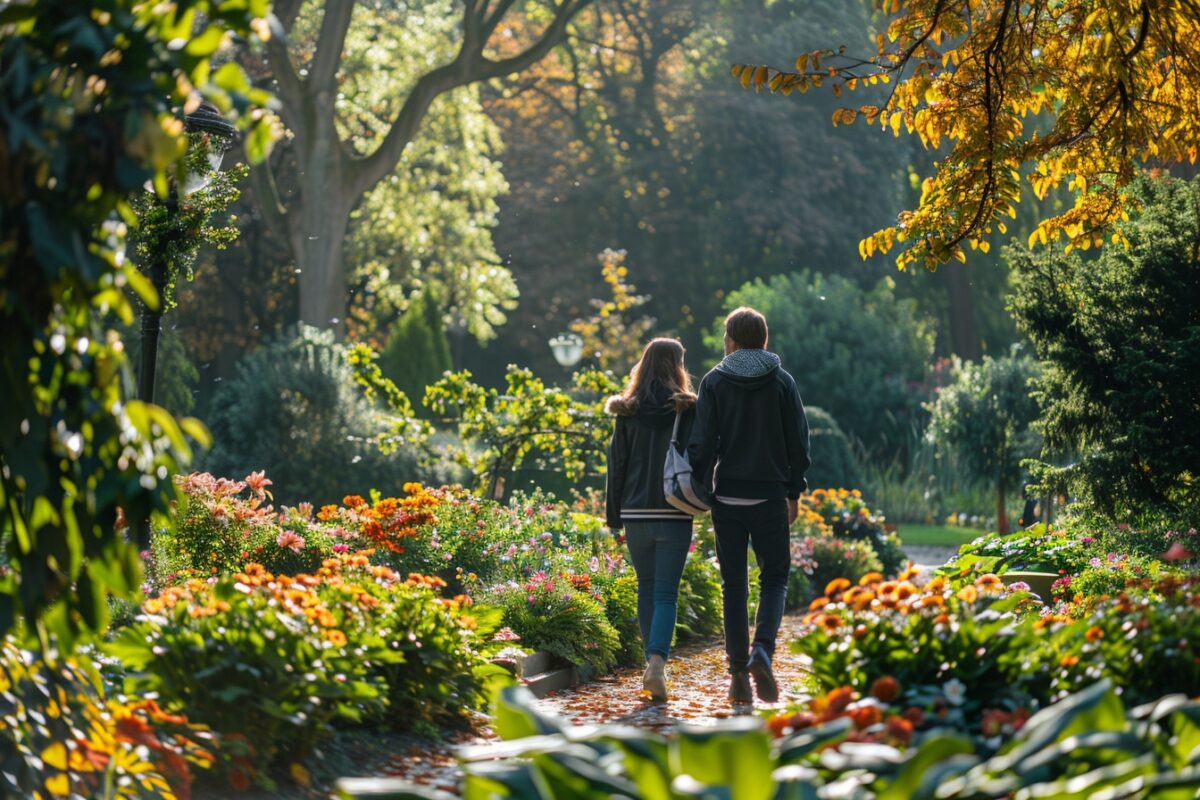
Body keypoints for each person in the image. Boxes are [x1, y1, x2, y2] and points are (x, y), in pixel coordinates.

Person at [687, 306, 810, 706]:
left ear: (732, 339)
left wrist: (702, 489)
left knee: (734, 584)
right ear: (763, 338)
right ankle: (763, 651)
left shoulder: (714, 382)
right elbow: (799, 441)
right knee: (774, 577)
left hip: (729, 498)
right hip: (770, 495)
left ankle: (738, 672)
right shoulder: (782, 382)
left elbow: (703, 443)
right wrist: (794, 490)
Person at [605, 338, 697, 702]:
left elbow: (618, 466)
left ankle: (650, 662)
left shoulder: (626, 412)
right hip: (674, 509)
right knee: (665, 592)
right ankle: (657, 662)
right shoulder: (687, 411)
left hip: (635, 512)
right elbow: (700, 458)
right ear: (676, 366)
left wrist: (614, 517)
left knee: (646, 587)